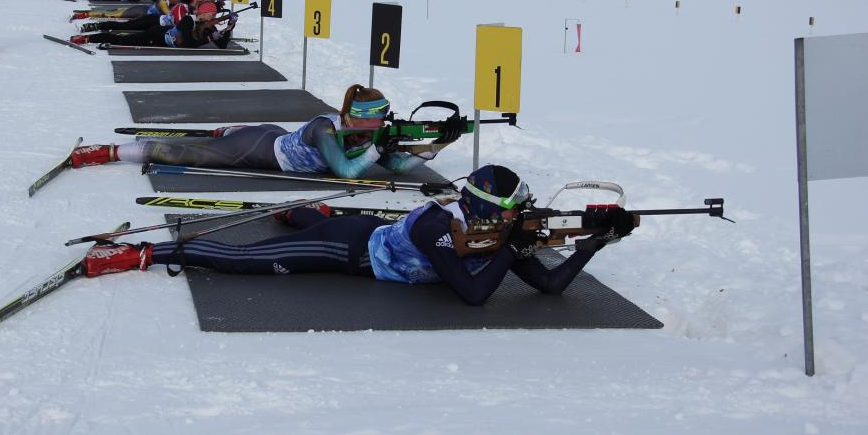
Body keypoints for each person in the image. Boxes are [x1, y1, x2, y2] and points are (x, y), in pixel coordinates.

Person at [79, 164, 636, 305]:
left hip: (374, 231)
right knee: (250, 260)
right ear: (478, 207)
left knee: (319, 219)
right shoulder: (440, 225)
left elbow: (550, 285)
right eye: (504, 217)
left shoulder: (495, 232)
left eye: (515, 216)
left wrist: (593, 242)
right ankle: (146, 251)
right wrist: (513, 246)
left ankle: (305, 212)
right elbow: (472, 295)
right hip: (348, 250)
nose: (511, 224)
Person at [68, 84, 448, 178]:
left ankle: (229, 130)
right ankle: (110, 151)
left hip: (273, 131)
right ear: (362, 117)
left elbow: (397, 167)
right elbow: (345, 171)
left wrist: (436, 146)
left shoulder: (365, 132)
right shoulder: (325, 130)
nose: (383, 124)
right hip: (261, 150)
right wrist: (379, 150)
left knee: (242, 133)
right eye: (379, 119)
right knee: (188, 153)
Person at [72, 0, 236, 48]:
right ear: (203, 13)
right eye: (212, 14)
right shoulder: (189, 20)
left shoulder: (209, 28)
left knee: (125, 35)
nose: (214, 17)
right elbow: (185, 40)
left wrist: (229, 28)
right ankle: (90, 38)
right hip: (156, 34)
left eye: (215, 15)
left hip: (162, 40)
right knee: (123, 37)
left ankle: (93, 34)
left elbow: (222, 45)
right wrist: (207, 36)